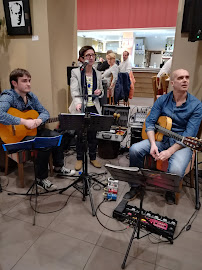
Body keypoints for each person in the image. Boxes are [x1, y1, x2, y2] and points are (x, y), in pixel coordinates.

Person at [125, 69, 202, 204]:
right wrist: (153, 144)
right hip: (161, 139)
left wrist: (169, 151)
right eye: (180, 78)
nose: (185, 80)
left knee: (176, 169)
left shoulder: (196, 105)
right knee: (134, 150)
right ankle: (136, 186)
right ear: (172, 83)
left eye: (187, 77)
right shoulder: (163, 100)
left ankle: (170, 190)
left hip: (182, 144)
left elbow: (189, 135)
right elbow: (150, 122)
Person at [0, 68, 75, 191]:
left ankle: (58, 167)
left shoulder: (30, 96)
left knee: (56, 136)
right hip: (13, 137)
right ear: (14, 83)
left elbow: (44, 112)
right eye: (24, 81)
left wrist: (39, 120)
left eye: (29, 80)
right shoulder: (8, 96)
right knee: (43, 143)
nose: (28, 83)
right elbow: (0, 114)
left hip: (30, 132)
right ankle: (41, 179)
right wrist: (24, 121)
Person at [69, 45, 103, 171]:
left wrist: (100, 92)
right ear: (82, 58)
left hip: (94, 106)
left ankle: (93, 157)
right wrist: (78, 102)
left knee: (93, 134)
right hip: (80, 108)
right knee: (80, 134)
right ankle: (79, 158)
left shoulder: (98, 74)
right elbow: (74, 90)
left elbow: (102, 91)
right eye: (88, 55)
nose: (91, 57)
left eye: (93, 55)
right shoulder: (76, 72)